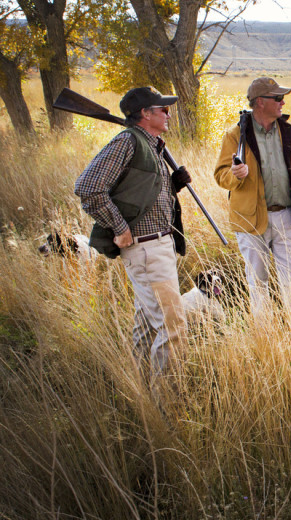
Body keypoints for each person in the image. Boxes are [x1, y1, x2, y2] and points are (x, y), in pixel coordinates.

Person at [74, 86, 190, 379]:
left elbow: (138, 195)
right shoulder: (128, 141)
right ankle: (168, 411)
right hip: (147, 250)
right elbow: (87, 188)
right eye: (162, 109)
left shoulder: (150, 144)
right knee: (172, 327)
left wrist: (171, 186)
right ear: (144, 113)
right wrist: (119, 227)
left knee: (149, 326)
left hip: (157, 247)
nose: (168, 113)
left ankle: (142, 390)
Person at [214, 77, 291, 339]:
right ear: (260, 102)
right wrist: (235, 175)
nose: (283, 102)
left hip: (285, 217)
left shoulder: (290, 132)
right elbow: (220, 176)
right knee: (257, 284)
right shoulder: (235, 135)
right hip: (250, 221)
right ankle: (265, 339)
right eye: (277, 98)